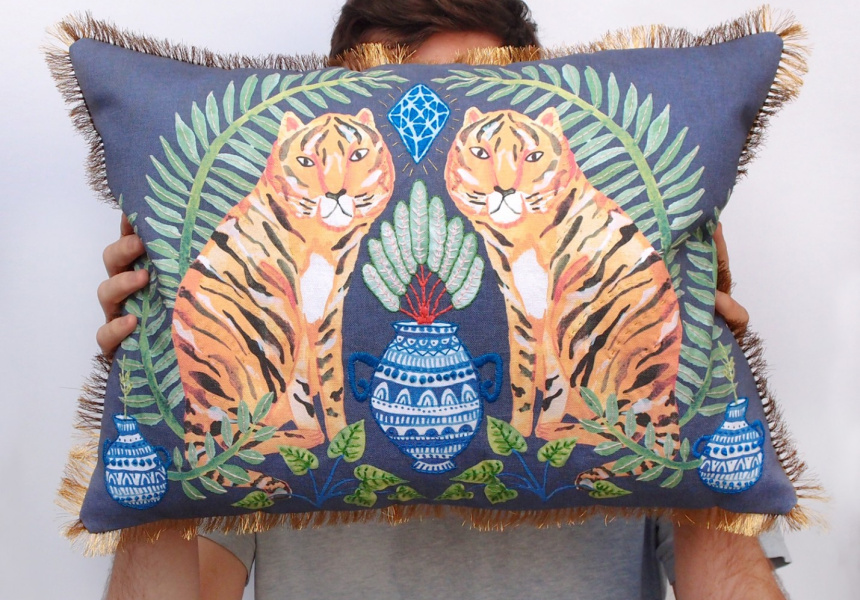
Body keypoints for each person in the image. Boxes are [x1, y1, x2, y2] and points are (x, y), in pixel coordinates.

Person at [95, 1, 788, 598]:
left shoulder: (617, 328)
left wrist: (701, 366)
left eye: (469, 97)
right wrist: (148, 383)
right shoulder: (264, 357)